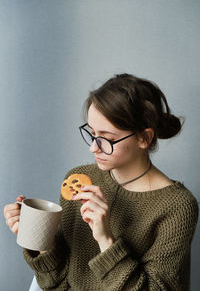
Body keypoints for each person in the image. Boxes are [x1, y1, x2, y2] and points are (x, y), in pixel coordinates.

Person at [4, 73, 199, 290]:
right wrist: (39, 236)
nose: (93, 147)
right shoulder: (78, 180)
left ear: (144, 138)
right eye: (92, 133)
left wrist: (105, 239)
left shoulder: (177, 206)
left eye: (107, 139)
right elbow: (54, 283)